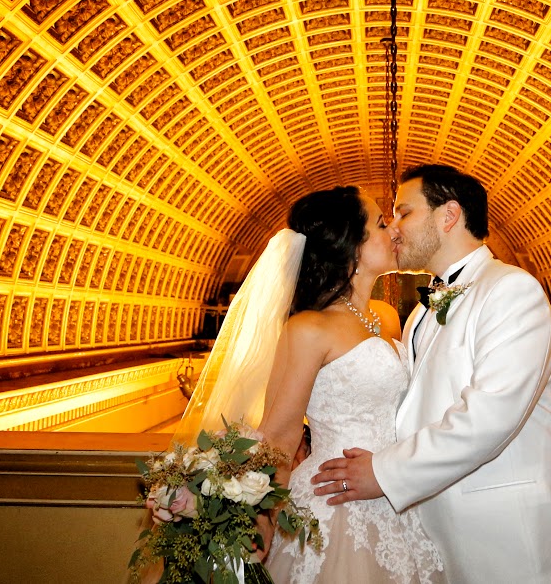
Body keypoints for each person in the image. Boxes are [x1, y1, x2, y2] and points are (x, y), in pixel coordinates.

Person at [309, 164, 551, 584]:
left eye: (404, 212)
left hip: (518, 552)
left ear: (448, 215)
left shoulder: (512, 290)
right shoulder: (419, 315)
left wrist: (383, 473)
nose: (394, 228)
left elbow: (490, 417)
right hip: (439, 551)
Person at [174, 185, 444, 584]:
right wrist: (264, 519)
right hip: (334, 497)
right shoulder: (308, 328)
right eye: (381, 223)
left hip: (396, 489)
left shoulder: (387, 317)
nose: (394, 232)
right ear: (350, 244)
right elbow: (280, 437)